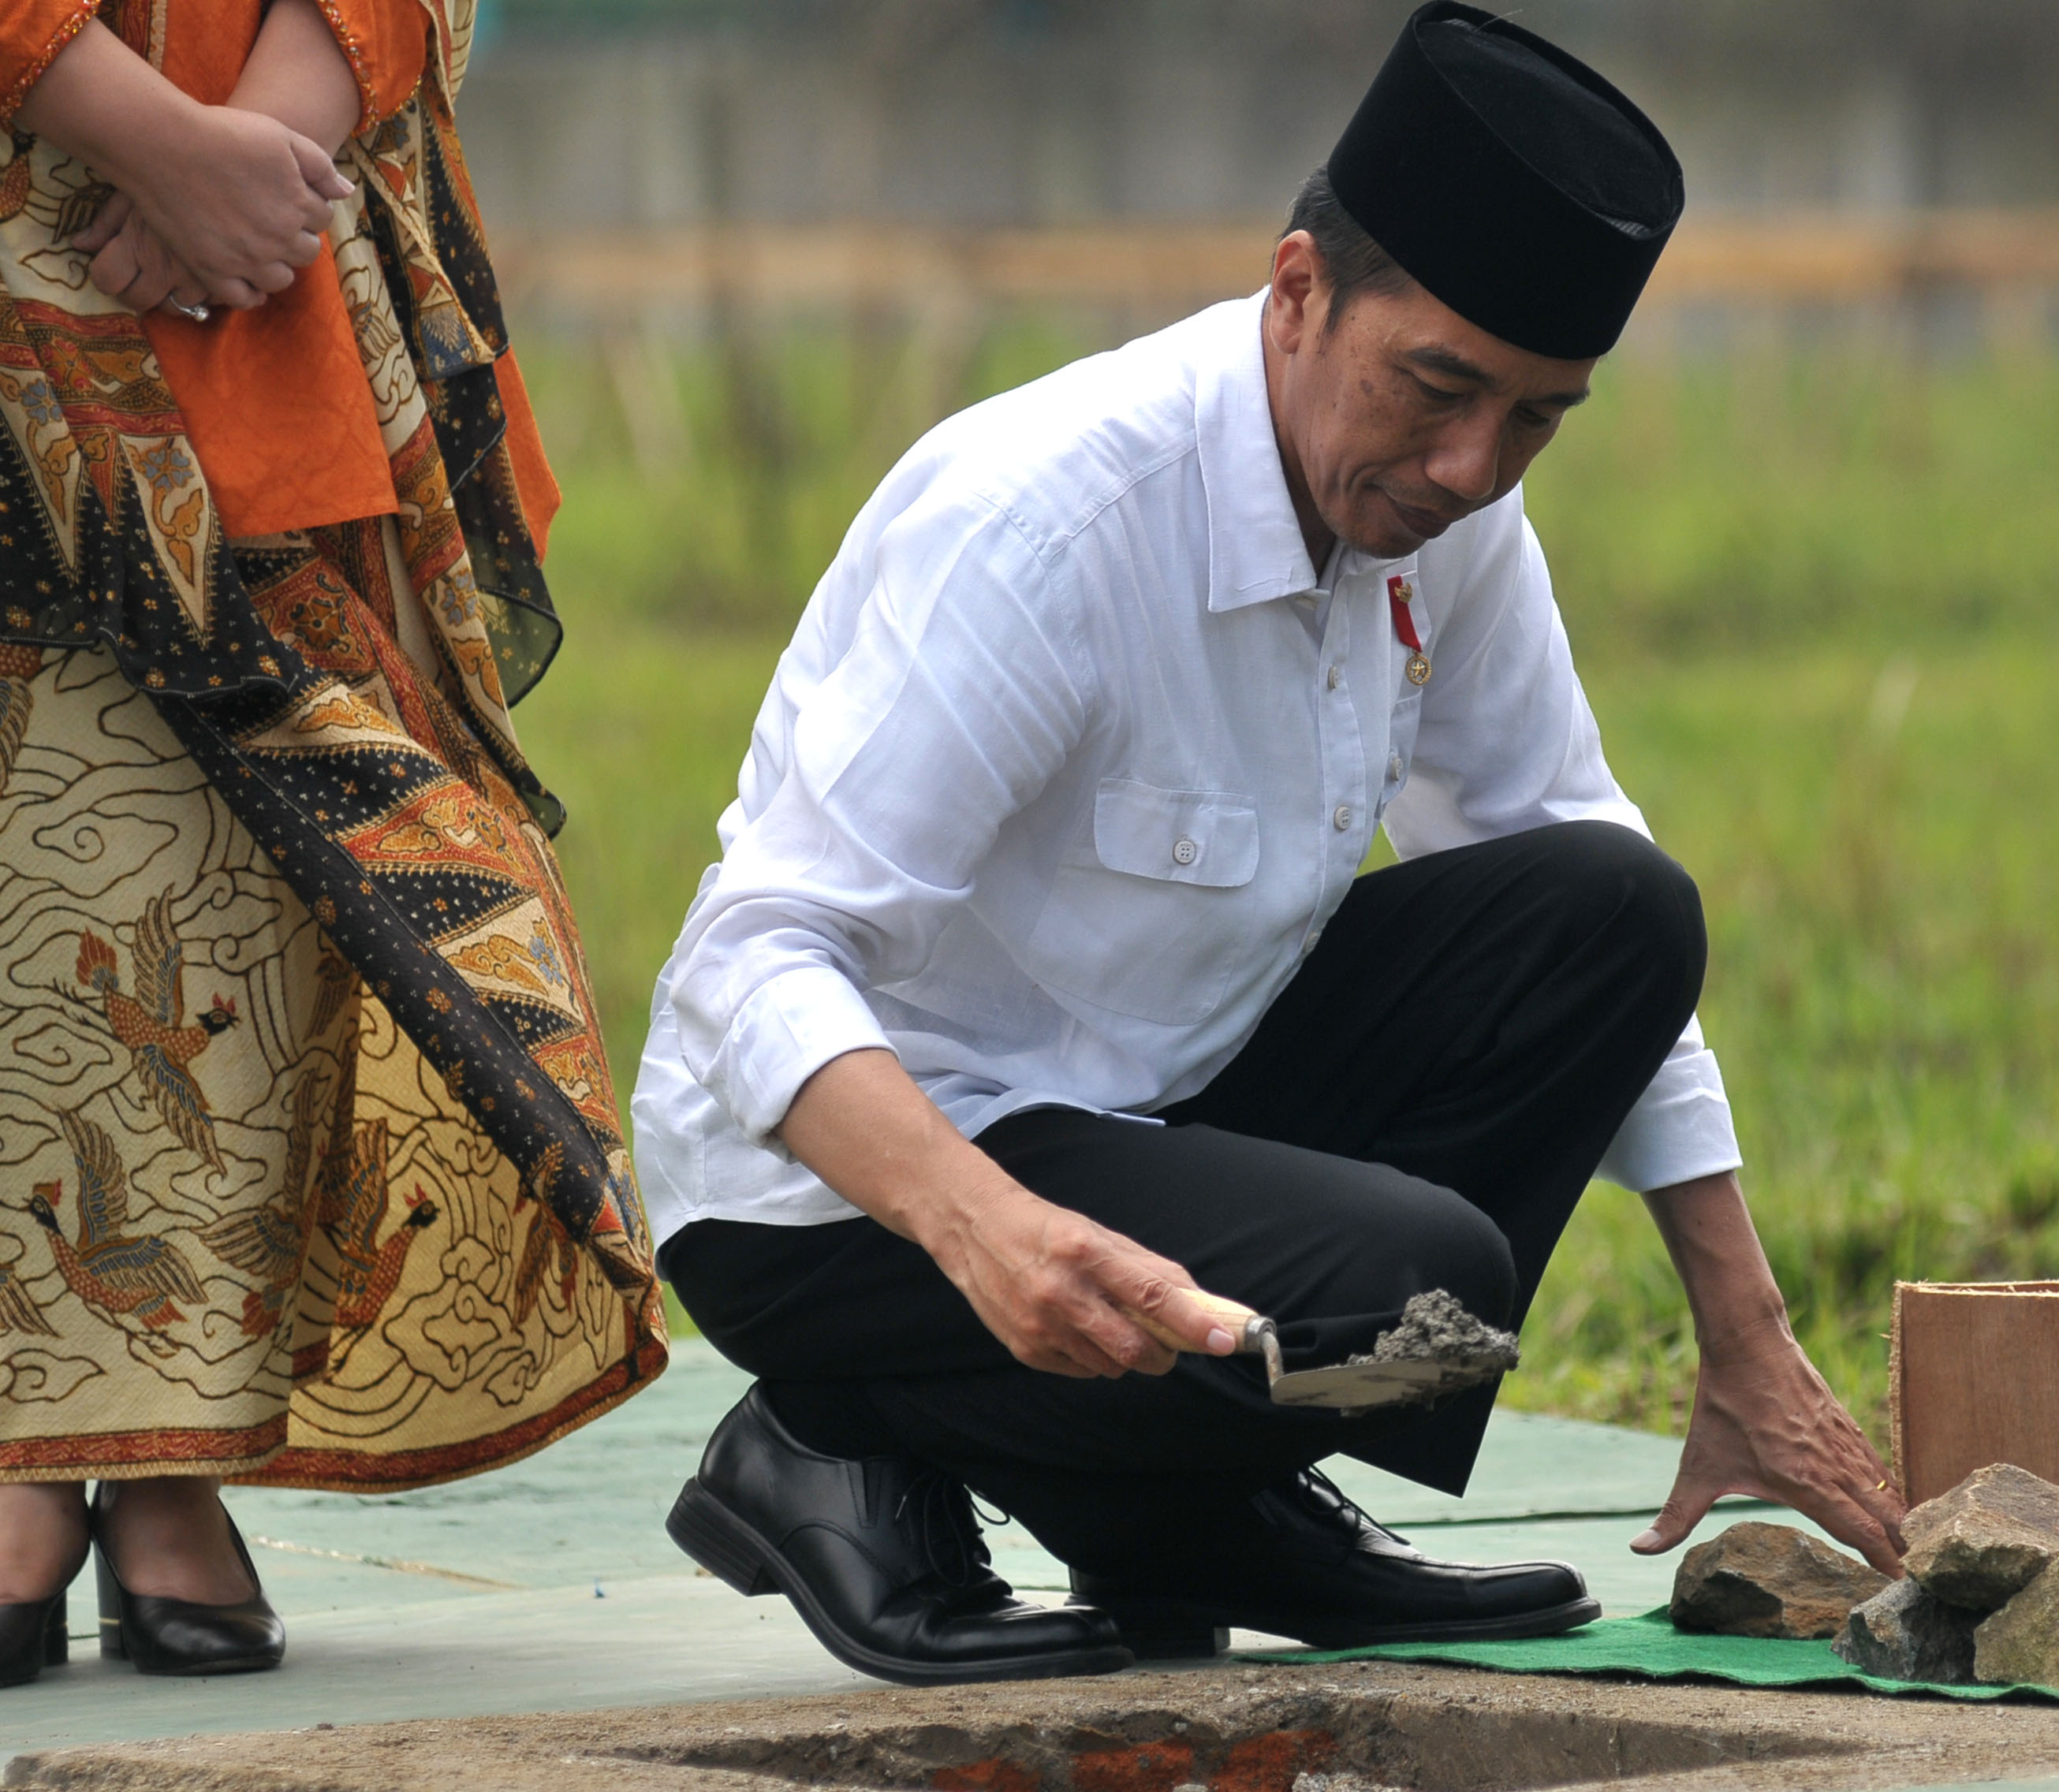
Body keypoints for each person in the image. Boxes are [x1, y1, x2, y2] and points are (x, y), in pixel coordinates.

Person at [635, 1, 1903, 1686]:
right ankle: (831, 1439)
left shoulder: (1440, 507)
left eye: (1537, 419)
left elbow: (1563, 829)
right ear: (1298, 290)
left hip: (1148, 1113)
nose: (1471, 466)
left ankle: (1189, 1497)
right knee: (1421, 1298)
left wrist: (1743, 1330)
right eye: (1439, 389)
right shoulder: (1045, 523)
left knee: (1614, 913)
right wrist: (980, 1227)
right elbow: (751, 964)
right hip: (844, 1196)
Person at [0, 0, 659, 1688]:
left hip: (254, 265)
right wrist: (136, 128)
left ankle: (177, 1452)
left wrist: (267, 143)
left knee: (227, 872)